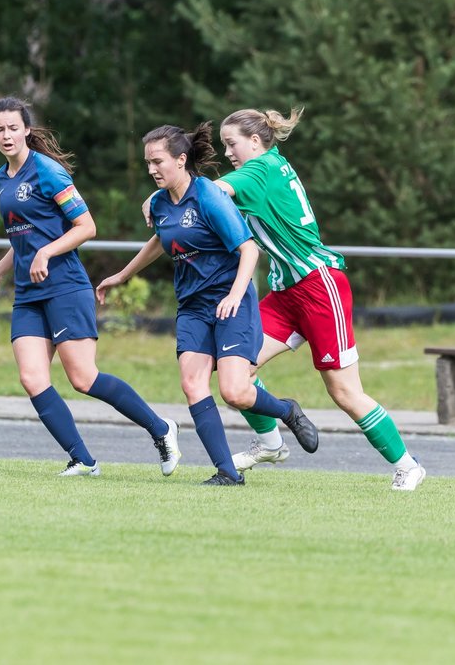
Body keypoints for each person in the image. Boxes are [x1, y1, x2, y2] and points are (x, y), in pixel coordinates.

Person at [212, 107, 425, 491]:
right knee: (233, 367)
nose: (227, 152)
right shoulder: (267, 168)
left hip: (318, 287)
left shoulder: (259, 170)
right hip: (285, 293)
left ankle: (408, 466)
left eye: (232, 143)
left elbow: (211, 193)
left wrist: (164, 198)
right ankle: (270, 444)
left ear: (256, 141)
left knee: (343, 392)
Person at [97, 124, 317, 486]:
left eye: (158, 161)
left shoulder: (209, 196)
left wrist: (234, 294)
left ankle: (286, 410)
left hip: (231, 303)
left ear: (181, 160)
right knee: (192, 384)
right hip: (192, 307)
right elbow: (160, 239)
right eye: (147, 163)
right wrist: (122, 274)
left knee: (235, 392)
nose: (152, 169)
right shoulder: (162, 202)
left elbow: (249, 249)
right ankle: (227, 473)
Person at [0, 96, 180, 478]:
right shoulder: (0, 179)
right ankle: (83, 460)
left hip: (65, 287)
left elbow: (86, 227)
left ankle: (161, 428)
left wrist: (45, 255)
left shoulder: (49, 172)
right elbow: (23, 235)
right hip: (28, 293)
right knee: (31, 378)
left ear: (26, 130)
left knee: (83, 378)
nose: (7, 135)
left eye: (13, 127)